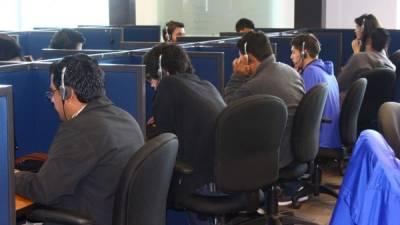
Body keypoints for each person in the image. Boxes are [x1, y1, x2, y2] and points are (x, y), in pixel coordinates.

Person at [15, 53, 144, 225]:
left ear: (67, 93)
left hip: (85, 216)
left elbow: (43, 190)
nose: (52, 100)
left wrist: (10, 176)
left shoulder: (80, 129)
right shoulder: (124, 117)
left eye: (53, 92)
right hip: (111, 212)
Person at [143, 43, 225, 195]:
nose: (152, 85)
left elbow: (164, 142)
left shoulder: (167, 85)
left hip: (200, 180)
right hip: (223, 174)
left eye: (151, 79)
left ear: (162, 72)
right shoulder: (206, 85)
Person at [224, 31, 304, 169]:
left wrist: (237, 75)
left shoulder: (254, 86)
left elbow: (227, 110)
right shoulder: (291, 72)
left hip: (272, 155)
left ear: (248, 59)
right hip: (292, 150)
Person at [290, 33, 341, 149]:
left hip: (319, 139)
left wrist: (294, 78)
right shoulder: (327, 72)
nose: (291, 57)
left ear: (304, 53)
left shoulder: (310, 72)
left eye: (293, 52)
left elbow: (302, 110)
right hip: (330, 137)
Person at [338, 28, 395, 98]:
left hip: (356, 105)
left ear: (369, 41)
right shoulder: (392, 68)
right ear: (386, 46)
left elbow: (339, 84)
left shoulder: (358, 58)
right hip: (381, 108)